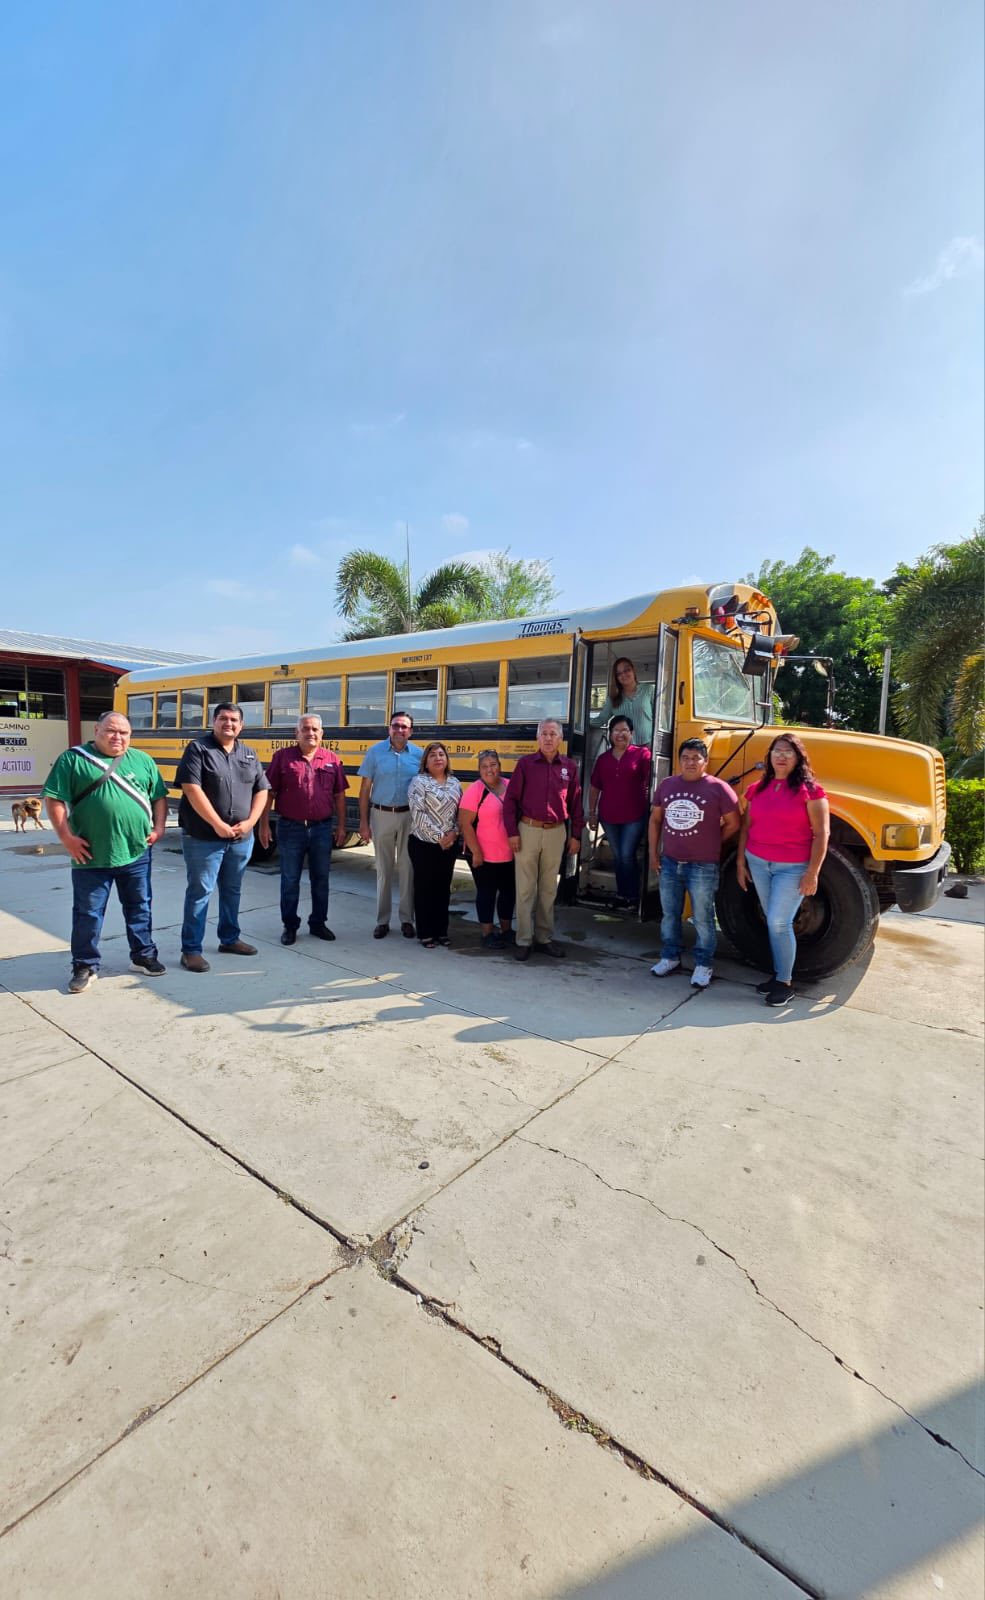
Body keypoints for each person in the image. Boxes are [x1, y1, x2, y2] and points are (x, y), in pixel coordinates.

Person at [42, 712, 168, 994]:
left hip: (136, 851)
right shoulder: (72, 759)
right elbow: (54, 798)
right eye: (111, 731)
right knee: (88, 912)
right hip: (90, 854)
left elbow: (158, 796)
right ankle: (84, 965)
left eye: (124, 733)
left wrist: (159, 828)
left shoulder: (142, 760)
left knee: (139, 906)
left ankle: (143, 956)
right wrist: (66, 838)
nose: (117, 737)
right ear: (96, 729)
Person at [735, 733, 830, 1007]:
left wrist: (812, 873)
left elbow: (822, 834)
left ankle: (785, 983)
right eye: (777, 750)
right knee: (772, 921)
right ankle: (777, 976)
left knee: (779, 922)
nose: (782, 756)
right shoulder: (757, 789)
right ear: (770, 756)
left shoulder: (811, 792)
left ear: (798, 757)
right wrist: (741, 862)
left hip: (792, 867)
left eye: (788, 751)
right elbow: (745, 827)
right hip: (758, 862)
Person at [175, 702, 271, 972]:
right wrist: (217, 824)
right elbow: (191, 788)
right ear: (214, 722)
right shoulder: (198, 749)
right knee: (200, 892)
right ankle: (191, 950)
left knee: (232, 890)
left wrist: (251, 822)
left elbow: (262, 789)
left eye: (234, 720)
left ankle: (229, 939)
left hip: (240, 839)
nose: (229, 724)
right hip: (203, 838)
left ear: (241, 726)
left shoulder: (249, 754)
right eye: (223, 719)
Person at [648, 738, 739, 989]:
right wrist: (654, 855)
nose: (690, 762)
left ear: (705, 761)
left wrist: (714, 842)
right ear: (679, 761)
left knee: (702, 917)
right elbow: (655, 820)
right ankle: (670, 956)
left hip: (703, 866)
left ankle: (703, 963)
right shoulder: (667, 785)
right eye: (686, 758)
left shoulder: (719, 788)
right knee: (669, 914)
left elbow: (734, 822)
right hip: (669, 863)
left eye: (696, 758)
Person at [258, 714, 348, 946]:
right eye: (305, 729)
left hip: (321, 828)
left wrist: (341, 826)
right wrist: (264, 824)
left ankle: (318, 923)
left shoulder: (331, 759)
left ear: (322, 733)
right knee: (289, 879)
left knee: (321, 879)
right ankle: (290, 926)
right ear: (296, 733)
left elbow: (339, 795)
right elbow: (269, 793)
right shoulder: (283, 758)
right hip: (290, 828)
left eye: (315, 729)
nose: (311, 733)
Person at [503, 718, 584, 961]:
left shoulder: (569, 766)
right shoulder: (526, 764)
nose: (548, 738)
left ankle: (544, 938)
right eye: (544, 734)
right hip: (527, 829)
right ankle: (524, 940)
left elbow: (576, 803)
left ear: (561, 739)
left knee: (549, 889)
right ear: (537, 739)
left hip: (557, 832)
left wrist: (576, 835)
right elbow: (511, 801)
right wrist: (512, 833)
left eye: (553, 734)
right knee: (526, 889)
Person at [358, 712, 424, 940]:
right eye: (396, 726)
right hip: (381, 814)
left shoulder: (418, 754)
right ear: (389, 728)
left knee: (408, 869)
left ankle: (407, 919)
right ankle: (382, 921)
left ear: (411, 731)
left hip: (409, 816)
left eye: (405, 727)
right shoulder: (375, 752)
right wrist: (363, 822)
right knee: (383, 871)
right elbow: (365, 789)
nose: (400, 730)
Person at [588, 715, 652, 905]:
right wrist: (592, 813)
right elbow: (594, 787)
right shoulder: (603, 759)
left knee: (626, 854)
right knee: (618, 856)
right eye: (616, 730)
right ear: (610, 734)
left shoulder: (642, 755)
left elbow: (652, 781)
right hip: (608, 816)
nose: (620, 734)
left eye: (624, 730)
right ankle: (622, 894)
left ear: (631, 733)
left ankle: (632, 896)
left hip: (635, 815)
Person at [459, 749, 516, 950]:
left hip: (508, 853)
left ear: (500, 766)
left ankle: (507, 931)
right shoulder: (475, 791)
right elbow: (465, 824)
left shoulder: (510, 786)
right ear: (479, 770)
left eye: (493, 765)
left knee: (509, 893)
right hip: (482, 854)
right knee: (487, 894)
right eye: (484, 766)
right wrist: (476, 852)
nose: (489, 769)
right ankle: (487, 933)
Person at [406, 742, 462, 949]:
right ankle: (426, 932)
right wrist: (440, 837)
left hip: (448, 846)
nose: (438, 758)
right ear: (426, 762)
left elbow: (459, 813)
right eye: (432, 756)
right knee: (424, 889)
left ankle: (441, 930)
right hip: (423, 844)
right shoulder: (419, 782)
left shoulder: (455, 783)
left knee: (443, 889)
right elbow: (417, 813)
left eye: (441, 754)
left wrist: (454, 832)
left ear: (447, 759)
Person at [592, 657, 655, 748]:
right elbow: (601, 720)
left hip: (648, 746)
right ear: (616, 678)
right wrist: (579, 723)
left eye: (627, 670)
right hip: (624, 749)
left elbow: (660, 719)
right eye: (619, 673)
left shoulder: (648, 690)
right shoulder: (613, 698)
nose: (624, 675)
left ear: (633, 670)